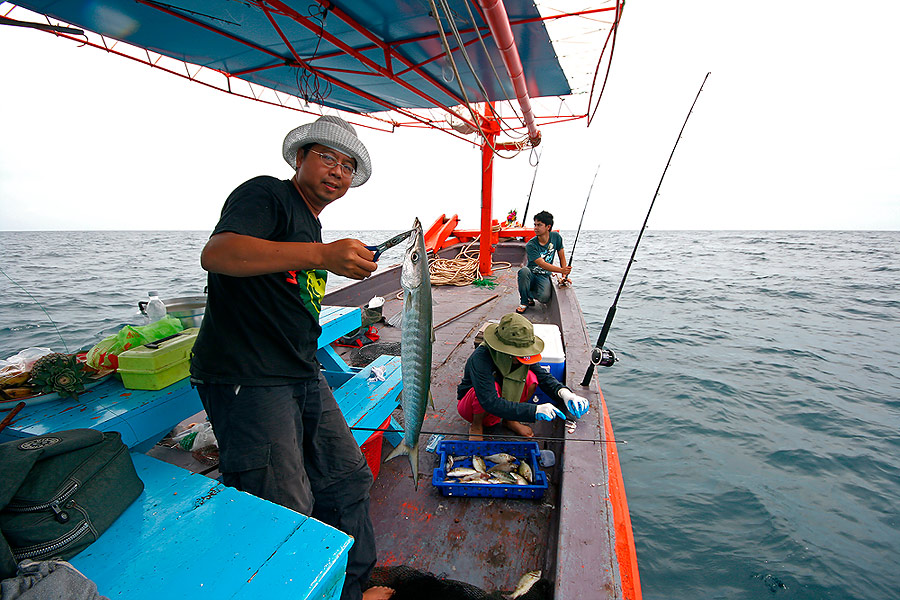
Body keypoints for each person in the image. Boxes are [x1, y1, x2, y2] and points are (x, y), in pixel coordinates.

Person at [189, 115, 393, 600]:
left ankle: (351, 588)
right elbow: (218, 254)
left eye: (348, 165)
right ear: (299, 158)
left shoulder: (312, 224)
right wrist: (322, 257)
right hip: (248, 378)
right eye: (327, 157)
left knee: (347, 478)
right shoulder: (266, 194)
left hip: (302, 370)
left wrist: (325, 255)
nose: (337, 172)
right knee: (283, 504)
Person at [457, 313, 590, 440]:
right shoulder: (480, 358)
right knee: (485, 390)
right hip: (476, 404)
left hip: (504, 399)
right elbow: (489, 402)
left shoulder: (525, 357)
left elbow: (544, 377)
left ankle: (510, 420)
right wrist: (534, 410)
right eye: (519, 353)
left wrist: (565, 393)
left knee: (531, 378)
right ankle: (476, 425)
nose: (523, 356)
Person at [516, 210, 572, 314]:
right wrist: (561, 270)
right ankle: (524, 302)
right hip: (531, 273)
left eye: (539, 225)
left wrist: (564, 275)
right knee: (523, 271)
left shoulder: (556, 237)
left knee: (544, 298)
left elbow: (561, 256)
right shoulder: (531, 245)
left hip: (544, 275)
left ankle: (529, 294)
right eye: (535, 225)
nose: (535, 228)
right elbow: (541, 263)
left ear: (548, 227)